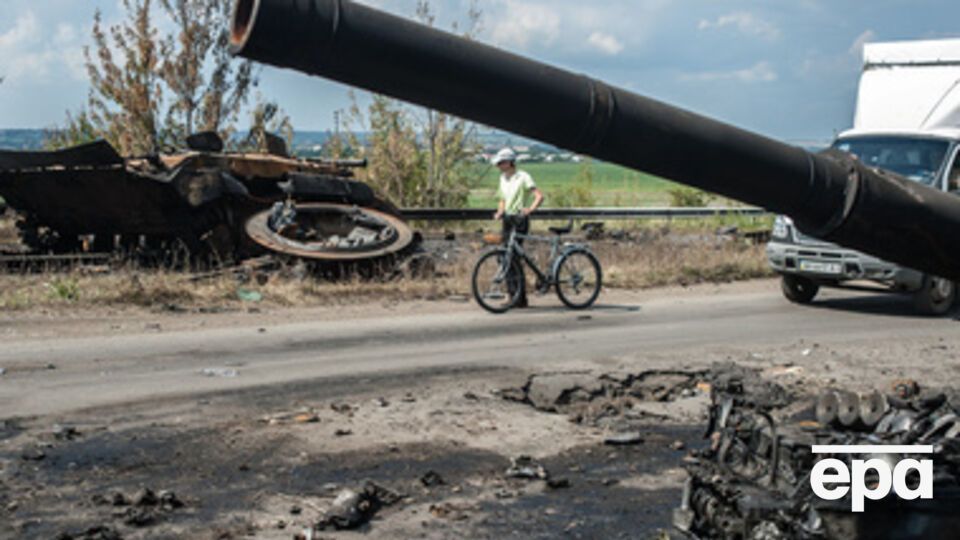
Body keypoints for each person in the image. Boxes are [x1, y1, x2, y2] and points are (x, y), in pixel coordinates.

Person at [491, 148, 544, 308]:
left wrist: (529, 209)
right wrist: (500, 211)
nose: (499, 165)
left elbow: (539, 196)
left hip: (520, 219)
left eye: (501, 162)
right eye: (498, 163)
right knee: (505, 256)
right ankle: (514, 295)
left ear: (509, 162)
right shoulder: (503, 178)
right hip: (507, 219)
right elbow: (502, 198)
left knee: (513, 256)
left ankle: (518, 297)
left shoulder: (523, 177)